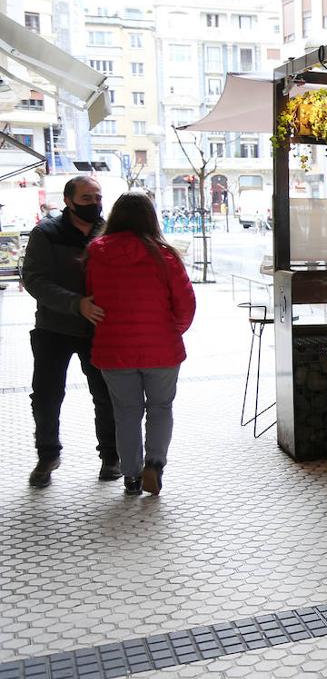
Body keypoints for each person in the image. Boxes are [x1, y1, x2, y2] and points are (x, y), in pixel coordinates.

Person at [85, 193, 196, 496]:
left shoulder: (96, 253)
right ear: (151, 218)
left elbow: (94, 295)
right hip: (160, 349)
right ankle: (154, 465)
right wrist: (172, 331)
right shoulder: (165, 256)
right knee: (160, 408)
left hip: (114, 349)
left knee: (126, 412)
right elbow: (185, 304)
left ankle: (131, 477)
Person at [20, 176, 119, 488]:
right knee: (47, 396)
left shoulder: (109, 232)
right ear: (68, 201)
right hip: (54, 328)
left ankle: (110, 457)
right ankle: (47, 455)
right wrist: (76, 304)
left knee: (105, 395)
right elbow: (34, 279)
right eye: (86, 198)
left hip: (97, 330)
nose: (94, 203)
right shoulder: (46, 233)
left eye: (97, 197)